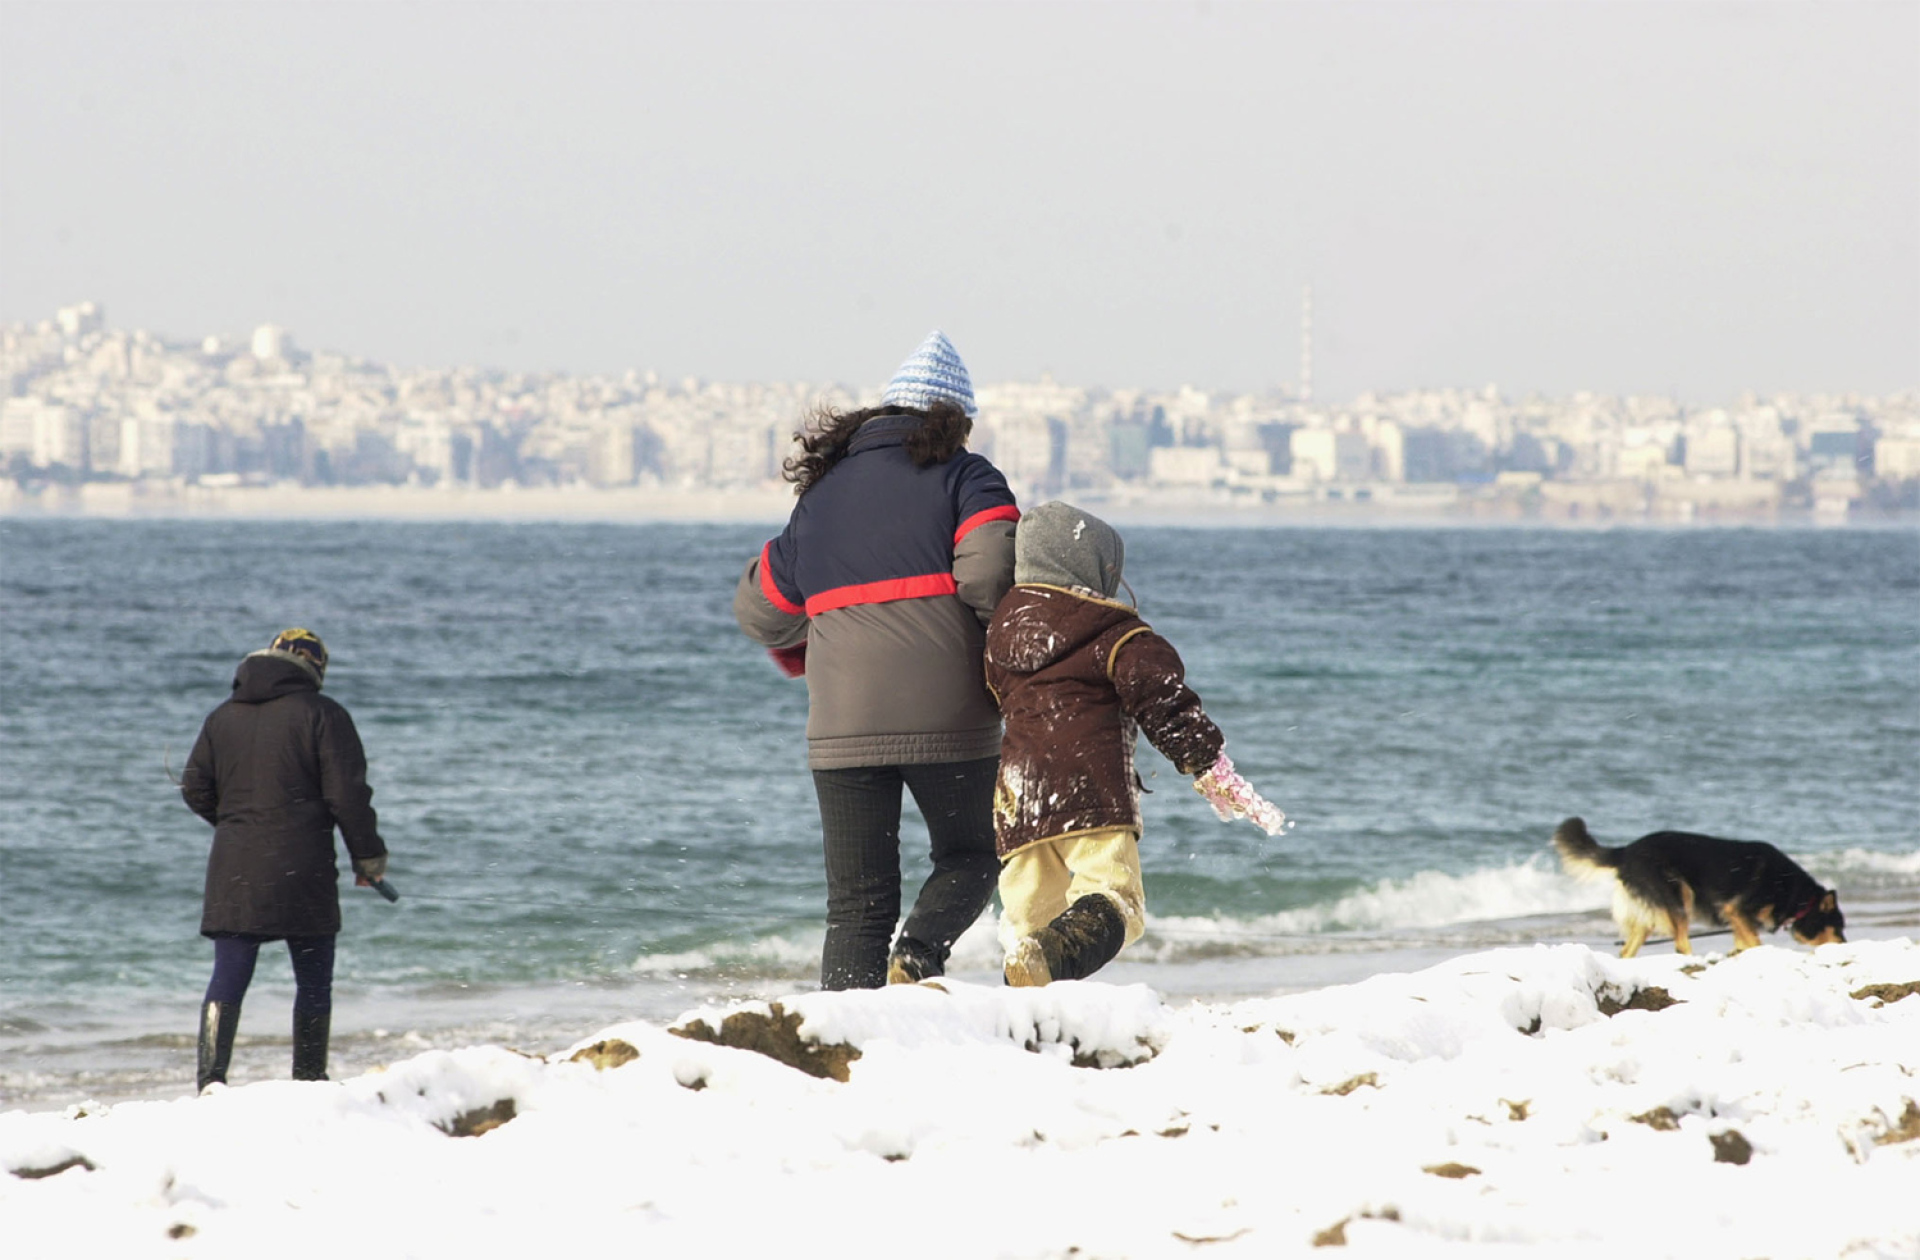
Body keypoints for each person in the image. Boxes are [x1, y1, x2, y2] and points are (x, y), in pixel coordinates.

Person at [734, 331, 1020, 989]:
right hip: (948, 716)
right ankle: (917, 957)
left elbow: (762, 611)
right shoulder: (968, 477)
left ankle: (841, 1038)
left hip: (841, 726)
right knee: (976, 853)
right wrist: (1005, 656)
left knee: (857, 905)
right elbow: (988, 576)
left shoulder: (821, 497)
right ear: (956, 419)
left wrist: (815, 640)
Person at [985, 502, 1287, 986]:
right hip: (1088, 795)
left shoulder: (997, 638)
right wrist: (1206, 762)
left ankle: (1027, 1013)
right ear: (1086, 569)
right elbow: (1161, 699)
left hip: (1015, 799)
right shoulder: (1115, 636)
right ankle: (1048, 962)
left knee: (1028, 921)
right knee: (1115, 900)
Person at [180, 628, 390, 1091]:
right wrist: (368, 857)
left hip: (235, 864)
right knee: (313, 979)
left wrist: (237, 823)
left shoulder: (221, 718)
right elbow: (348, 796)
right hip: (304, 865)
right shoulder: (324, 714)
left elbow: (194, 787)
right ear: (315, 668)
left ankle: (211, 1081)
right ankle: (309, 1079)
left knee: (229, 974)